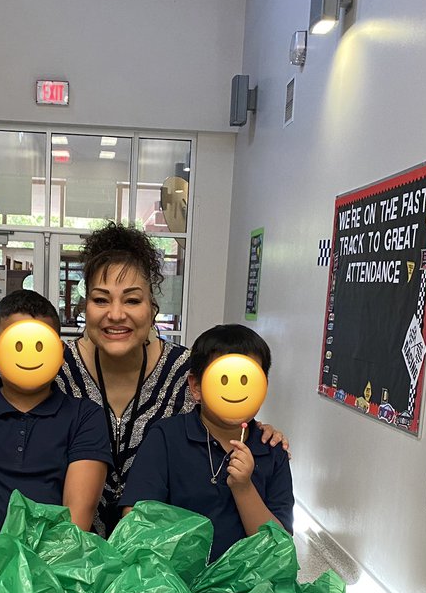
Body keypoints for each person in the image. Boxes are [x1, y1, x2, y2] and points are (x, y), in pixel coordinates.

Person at [57, 222, 289, 535]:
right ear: (84, 306)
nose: (115, 314)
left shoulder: (184, 371)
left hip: (157, 558)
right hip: (69, 547)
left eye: (132, 300)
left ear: (152, 308)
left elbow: (226, 412)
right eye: (101, 300)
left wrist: (263, 431)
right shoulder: (56, 369)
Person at [0, 289, 112, 550]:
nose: (28, 355)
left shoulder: (86, 417)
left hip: (56, 573)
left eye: (40, 345)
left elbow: (78, 515)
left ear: (59, 354)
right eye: (16, 344)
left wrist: (38, 581)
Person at [120, 324, 294, 562]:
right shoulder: (166, 437)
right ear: (196, 387)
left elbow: (278, 550)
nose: (234, 389)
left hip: (248, 584)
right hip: (173, 581)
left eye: (247, 379)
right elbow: (136, 520)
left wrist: (243, 488)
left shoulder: (272, 449)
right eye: (223, 379)